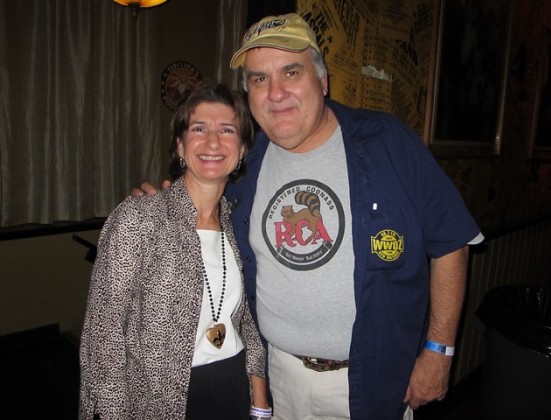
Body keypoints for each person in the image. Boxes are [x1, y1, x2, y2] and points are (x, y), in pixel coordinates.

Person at [135, 13, 483, 420]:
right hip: (274, 379)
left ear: (322, 80)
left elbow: (451, 240)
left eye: (290, 71)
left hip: (372, 382)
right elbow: (199, 207)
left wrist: (439, 351)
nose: (276, 92)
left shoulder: (387, 141)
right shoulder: (245, 163)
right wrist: (159, 203)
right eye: (259, 80)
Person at [79, 81, 269, 419]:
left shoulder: (238, 223)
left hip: (231, 388)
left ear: (241, 150)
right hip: (161, 401)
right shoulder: (139, 218)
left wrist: (259, 397)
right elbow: (103, 338)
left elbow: (244, 321)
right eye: (199, 129)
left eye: (227, 130)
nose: (213, 141)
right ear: (180, 146)